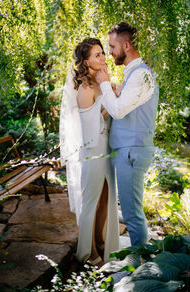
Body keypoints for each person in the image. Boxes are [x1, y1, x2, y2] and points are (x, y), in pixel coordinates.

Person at [96, 22, 159, 246]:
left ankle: (141, 271)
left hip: (132, 151)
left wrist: (104, 84)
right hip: (128, 151)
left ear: (127, 45)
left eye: (112, 46)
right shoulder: (134, 74)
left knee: (132, 215)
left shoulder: (141, 75)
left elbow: (119, 110)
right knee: (132, 211)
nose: (110, 52)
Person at [59, 38, 119, 267]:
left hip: (106, 150)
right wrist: (108, 109)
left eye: (103, 53)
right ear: (85, 61)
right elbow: (90, 130)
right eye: (97, 55)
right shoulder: (84, 88)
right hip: (94, 152)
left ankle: (102, 242)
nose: (103, 57)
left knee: (105, 199)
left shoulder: (99, 83)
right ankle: (88, 252)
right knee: (91, 201)